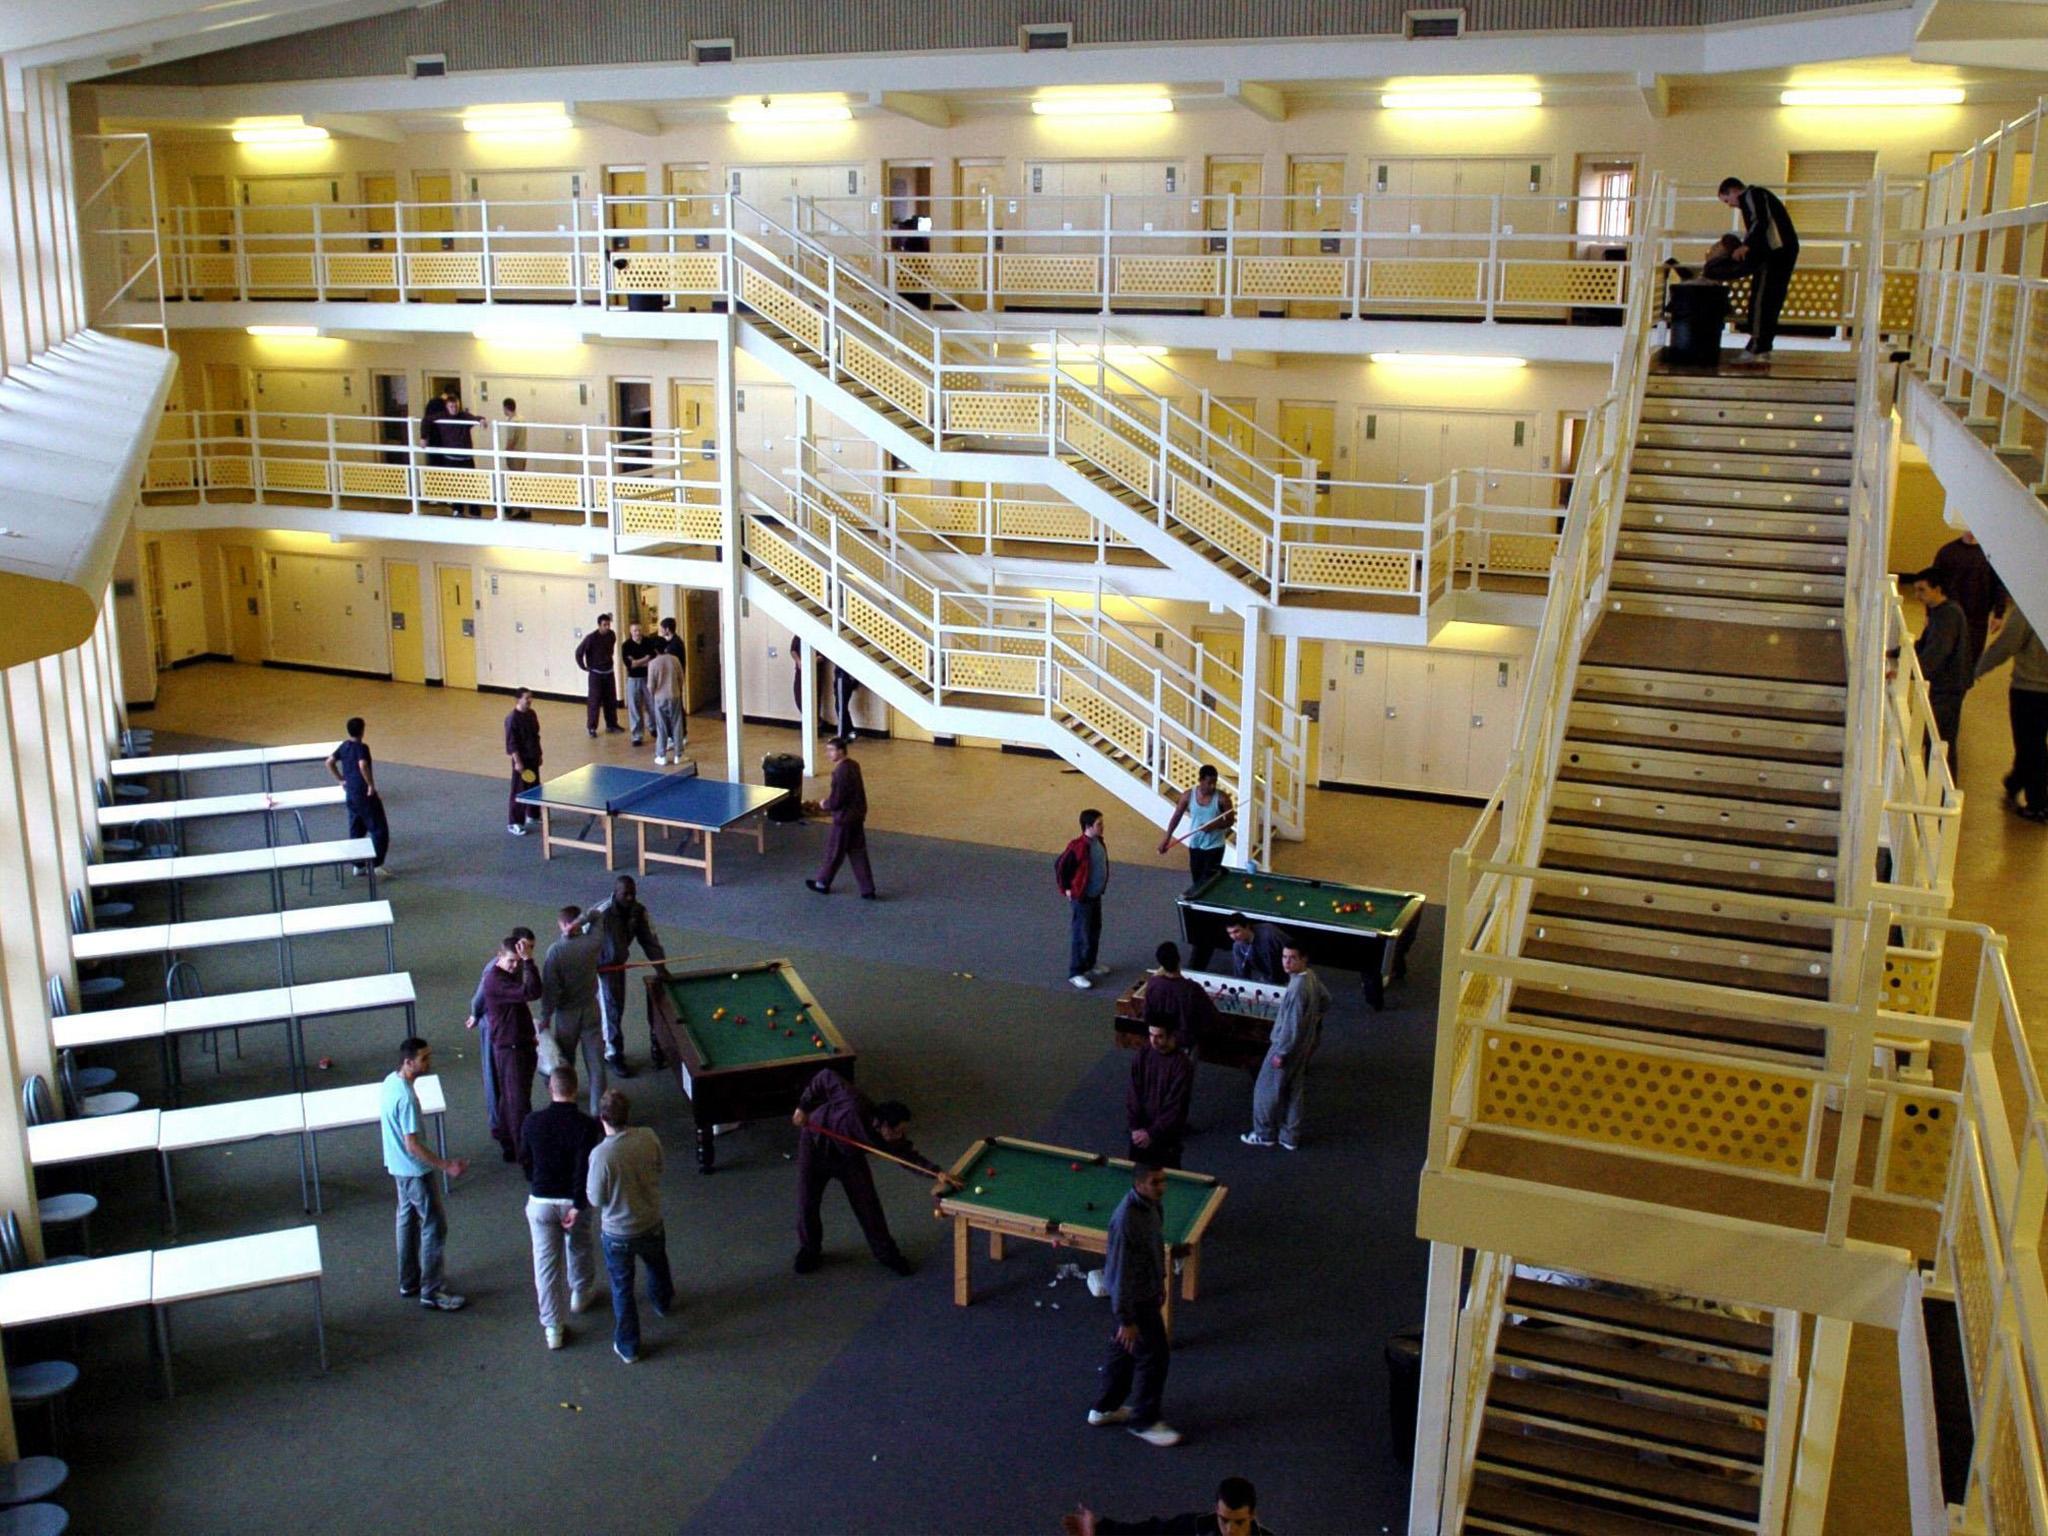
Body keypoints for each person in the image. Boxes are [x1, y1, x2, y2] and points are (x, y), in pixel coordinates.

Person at [790, 1068, 948, 1276]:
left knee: (868, 1204)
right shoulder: (854, 1102)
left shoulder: (888, 1138)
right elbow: (825, 1076)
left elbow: (907, 1156)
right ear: (883, 1125)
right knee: (807, 1201)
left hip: (848, 1158)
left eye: (903, 1131)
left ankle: (887, 1254)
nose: (900, 1135)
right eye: (897, 1131)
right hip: (815, 1147)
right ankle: (809, 1250)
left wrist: (937, 1173)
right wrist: (803, 1107)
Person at [1087, 1150, 1180, 1447]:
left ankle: (1105, 1408)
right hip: (1134, 1302)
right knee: (1155, 1357)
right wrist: (1125, 1318)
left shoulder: (1152, 1206)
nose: (1161, 1187)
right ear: (1139, 1184)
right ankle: (1144, 1421)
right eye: (1155, 1182)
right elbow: (1121, 1273)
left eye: (1163, 1181)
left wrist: (1160, 1282)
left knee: (1124, 1352)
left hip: (1145, 1293)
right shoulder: (1127, 1219)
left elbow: (1152, 1250)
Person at [518, 1065, 603, 1350]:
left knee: (545, 1264)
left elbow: (525, 1160)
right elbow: (585, 1168)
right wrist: (578, 1203)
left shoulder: (532, 1122)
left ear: (550, 1089)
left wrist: (536, 1181)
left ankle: (553, 1327)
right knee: (580, 1244)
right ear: (575, 1088)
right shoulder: (588, 1126)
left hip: (541, 1200)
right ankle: (580, 1292)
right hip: (573, 1201)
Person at [587, 1089, 675, 1364]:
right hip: (650, 1221)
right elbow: (660, 1167)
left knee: (622, 1287)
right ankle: (662, 1302)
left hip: (617, 1233)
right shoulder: (648, 1137)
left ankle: (629, 1346)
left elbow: (595, 1198)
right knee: (657, 1264)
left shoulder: (601, 1155)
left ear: (603, 1118)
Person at [381, 1038, 469, 1311]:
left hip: (397, 1166)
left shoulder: (390, 1083)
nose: (428, 1063)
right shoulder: (406, 1098)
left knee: (406, 1219)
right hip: (414, 1171)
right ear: (408, 1062)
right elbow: (413, 1143)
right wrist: (445, 1165)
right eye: (423, 1058)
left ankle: (409, 1281)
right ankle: (431, 1290)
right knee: (434, 1225)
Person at [572, 875, 668, 1077]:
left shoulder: (638, 911)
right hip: (598, 967)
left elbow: (650, 940)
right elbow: (576, 934)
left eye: (633, 893)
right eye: (626, 894)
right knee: (610, 1009)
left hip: (617, 966)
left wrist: (661, 968)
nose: (630, 897)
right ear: (615, 893)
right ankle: (613, 1054)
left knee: (617, 1005)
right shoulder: (601, 912)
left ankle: (612, 1048)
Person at [1242, 941, 1331, 1152]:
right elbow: (1326, 999)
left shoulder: (1296, 988)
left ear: (1303, 959)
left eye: (1292, 958)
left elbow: (1290, 1025)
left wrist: (1281, 1052)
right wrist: (1314, 1018)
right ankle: (1290, 1137)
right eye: (1284, 957)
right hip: (1304, 1045)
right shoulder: (1311, 976)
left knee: (1265, 1090)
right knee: (1294, 1091)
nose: (1286, 963)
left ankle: (1263, 1134)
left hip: (1286, 1047)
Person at [464, 925, 536, 1145]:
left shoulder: (515, 967)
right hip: (493, 1025)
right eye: (524, 949)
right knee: (494, 1077)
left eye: (529, 949)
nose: (525, 955)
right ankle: (498, 1124)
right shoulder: (492, 973)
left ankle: (505, 1123)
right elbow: (479, 998)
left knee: (510, 1084)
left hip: (510, 1027)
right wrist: (475, 1015)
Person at [1717, 177, 1799, 365]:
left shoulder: (1751, 195)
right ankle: (1763, 345)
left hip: (1774, 254)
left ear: (1734, 191)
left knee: (1763, 299)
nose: (1730, 206)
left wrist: (1746, 246)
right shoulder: (1760, 195)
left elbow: (1759, 221)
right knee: (1771, 299)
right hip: (1782, 252)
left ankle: (1756, 347)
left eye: (1727, 200)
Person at [1977, 602, 2048, 821]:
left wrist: (1976, 670)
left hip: (2030, 689)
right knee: (2033, 744)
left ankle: (2037, 804)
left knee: (2030, 744)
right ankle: (2016, 781)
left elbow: (2007, 645)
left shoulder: (2032, 605)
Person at [1159, 766, 1234, 965]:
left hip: (1215, 848)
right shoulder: (1187, 796)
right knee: (1197, 884)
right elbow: (1176, 816)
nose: (1212, 786)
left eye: (1214, 782)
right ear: (1200, 780)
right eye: (1208, 782)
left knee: (1208, 884)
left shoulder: (1222, 798)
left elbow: (1230, 820)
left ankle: (1209, 925)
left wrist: (1216, 825)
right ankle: (1203, 925)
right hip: (1196, 848)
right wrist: (1166, 839)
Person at [481, 932, 544, 1162]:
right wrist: (528, 961)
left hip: (519, 1044)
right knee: (518, 1104)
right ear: (499, 956)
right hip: (511, 1048)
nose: (514, 966)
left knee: (510, 1098)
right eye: (511, 961)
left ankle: (507, 1140)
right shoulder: (496, 980)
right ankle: (524, 1155)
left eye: (517, 962)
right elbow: (533, 991)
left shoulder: (506, 975)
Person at [540, 905, 607, 1113]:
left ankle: (565, 1100)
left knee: (564, 1062)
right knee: (596, 1064)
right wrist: (583, 919)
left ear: (561, 925)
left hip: (566, 1015)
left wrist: (545, 1016)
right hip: (591, 1009)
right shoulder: (592, 943)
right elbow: (598, 915)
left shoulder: (556, 951)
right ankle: (598, 1113)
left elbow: (551, 990)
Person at [1914, 567, 1973, 777]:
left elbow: (1937, 652)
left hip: (1948, 687)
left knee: (1939, 740)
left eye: (1922, 590)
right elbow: (1925, 645)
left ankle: (1941, 792)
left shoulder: (1947, 615)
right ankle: (1939, 791)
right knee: (1938, 739)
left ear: (1937, 589)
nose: (1917, 596)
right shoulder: (1943, 612)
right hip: (1947, 685)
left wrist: (1913, 671)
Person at [1063, 1477, 1272, 1536]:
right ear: (1216, 1511)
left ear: (1252, 1515)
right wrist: (1099, 1530)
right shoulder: (1198, 1527)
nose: (1230, 1530)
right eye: (1224, 1520)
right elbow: (1151, 1531)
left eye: (1239, 1522)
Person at [804, 735, 877, 899]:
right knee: (858, 852)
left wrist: (825, 804)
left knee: (834, 852)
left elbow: (837, 800)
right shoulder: (854, 766)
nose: (828, 754)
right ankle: (867, 889)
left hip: (844, 820)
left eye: (831, 750)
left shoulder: (840, 772)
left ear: (841, 751)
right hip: (857, 816)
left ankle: (822, 883)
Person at [1931, 528, 2007, 668]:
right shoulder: (1948, 552)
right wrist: (1929, 613)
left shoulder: (1990, 555)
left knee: (1971, 656)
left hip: (1977, 616)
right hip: (1950, 614)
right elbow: (1934, 583)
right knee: (1946, 653)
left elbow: (1999, 585)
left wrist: (1999, 613)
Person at [1128, 1016, 1196, 1169]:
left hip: (1166, 1135)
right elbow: (1133, 1092)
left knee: (1166, 1180)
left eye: (1159, 1036)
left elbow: (1176, 1105)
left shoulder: (1182, 1065)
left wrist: (1152, 1133)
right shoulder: (1143, 1054)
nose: (1153, 1041)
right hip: (1139, 1131)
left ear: (1172, 1036)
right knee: (1137, 1175)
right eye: (1151, 1035)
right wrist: (1135, 1127)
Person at [325, 715, 389, 875]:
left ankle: (358, 865)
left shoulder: (344, 746)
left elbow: (329, 762)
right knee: (379, 829)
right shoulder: (362, 748)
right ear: (362, 731)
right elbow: (362, 765)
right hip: (364, 793)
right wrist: (370, 785)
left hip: (351, 793)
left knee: (357, 828)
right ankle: (376, 865)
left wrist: (340, 780)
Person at [1058, 809, 1110, 989]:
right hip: (1083, 897)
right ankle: (1076, 972)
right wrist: (1066, 889)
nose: (1103, 827)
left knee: (1095, 929)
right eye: (1099, 824)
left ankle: (1090, 963)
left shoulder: (1098, 842)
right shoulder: (1078, 846)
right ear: (1088, 827)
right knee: (1081, 934)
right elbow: (1061, 865)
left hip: (1095, 895)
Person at [1143, 942, 1223, 1056]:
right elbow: (1212, 1018)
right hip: (1184, 1043)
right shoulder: (1192, 989)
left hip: (1160, 1040)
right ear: (1179, 959)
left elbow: (1147, 1015)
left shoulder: (1153, 984)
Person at [422, 388, 485, 516]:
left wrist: (481, 420)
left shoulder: (463, 416)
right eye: (451, 406)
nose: (454, 409)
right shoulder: (442, 416)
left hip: (466, 458)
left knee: (471, 484)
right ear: (447, 407)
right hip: (451, 458)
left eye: (456, 406)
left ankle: (474, 509)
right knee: (455, 485)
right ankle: (458, 509)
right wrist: (423, 437)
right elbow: (426, 420)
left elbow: (475, 418)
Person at [576, 614, 623, 737]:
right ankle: (592, 727)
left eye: (608, 624)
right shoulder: (591, 638)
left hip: (608, 672)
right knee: (594, 701)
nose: (607, 627)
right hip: (596, 674)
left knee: (611, 700)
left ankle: (611, 724)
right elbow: (579, 652)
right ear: (599, 625)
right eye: (604, 625)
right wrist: (584, 667)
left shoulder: (612, 635)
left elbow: (610, 650)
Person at [504, 687, 543, 837]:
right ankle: (514, 823)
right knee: (519, 791)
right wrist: (517, 762)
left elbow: (536, 736)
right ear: (518, 699)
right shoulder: (512, 719)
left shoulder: (532, 714)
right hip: (522, 760)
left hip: (533, 756)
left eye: (531, 697)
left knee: (534, 787)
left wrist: (539, 754)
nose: (529, 700)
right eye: (527, 698)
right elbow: (512, 743)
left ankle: (533, 815)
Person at [620, 620, 661, 747]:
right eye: (634, 631)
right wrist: (645, 659)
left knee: (652, 705)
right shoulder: (626, 645)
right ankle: (637, 735)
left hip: (648, 677)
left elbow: (653, 659)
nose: (637, 633)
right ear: (630, 632)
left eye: (639, 630)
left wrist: (638, 661)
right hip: (633, 679)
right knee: (634, 707)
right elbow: (631, 665)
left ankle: (654, 728)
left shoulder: (648, 642)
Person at [647, 642, 686, 765]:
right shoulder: (674, 660)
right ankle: (678, 754)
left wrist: (653, 694)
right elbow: (681, 678)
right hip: (675, 695)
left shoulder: (653, 663)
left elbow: (650, 685)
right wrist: (678, 690)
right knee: (677, 724)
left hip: (660, 698)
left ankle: (661, 755)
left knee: (661, 726)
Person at [1225, 914, 1289, 985]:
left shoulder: (1269, 933)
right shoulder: (1237, 947)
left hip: (1291, 975)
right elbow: (1241, 975)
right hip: (1269, 980)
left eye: (1236, 931)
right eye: (1230, 933)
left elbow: (1293, 949)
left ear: (1247, 926)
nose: (1233, 937)